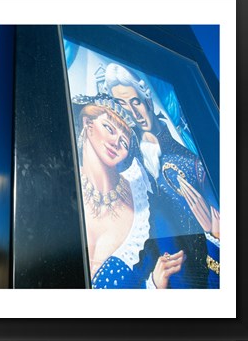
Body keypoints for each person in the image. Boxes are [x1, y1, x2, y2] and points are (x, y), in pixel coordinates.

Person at [104, 63, 220, 289]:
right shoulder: (125, 154)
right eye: (123, 105)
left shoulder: (189, 160)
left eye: (135, 101)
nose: (133, 112)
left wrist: (215, 234)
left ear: (147, 98)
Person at [76, 96, 184, 289]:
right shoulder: (60, 177)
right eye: (109, 128)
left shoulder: (144, 205)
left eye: (124, 143)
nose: (116, 143)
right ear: (87, 123)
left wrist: (154, 285)